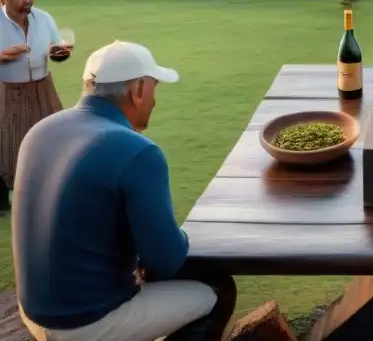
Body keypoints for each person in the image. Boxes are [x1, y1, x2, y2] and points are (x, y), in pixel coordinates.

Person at [13, 40, 236, 341]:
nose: (155, 101)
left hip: (34, 311)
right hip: (83, 323)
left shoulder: (40, 131)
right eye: (154, 88)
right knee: (218, 288)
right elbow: (166, 260)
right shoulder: (138, 151)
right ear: (138, 91)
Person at [0, 0, 72, 209]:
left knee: (53, 139)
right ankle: (3, 200)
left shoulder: (43, 17)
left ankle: (48, 192)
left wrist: (60, 53)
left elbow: (55, 47)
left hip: (43, 88)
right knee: (7, 143)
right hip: (7, 90)